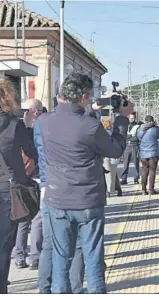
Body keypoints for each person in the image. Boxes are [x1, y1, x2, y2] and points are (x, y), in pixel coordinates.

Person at [36, 72, 132, 293]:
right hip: (88, 202)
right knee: (93, 257)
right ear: (84, 97)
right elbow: (115, 150)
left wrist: (90, 109)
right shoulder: (90, 126)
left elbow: (69, 124)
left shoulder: (44, 122)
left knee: (61, 259)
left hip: (57, 200)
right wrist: (122, 118)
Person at [34, 97, 85, 294]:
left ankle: (44, 288)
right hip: (72, 189)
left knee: (50, 242)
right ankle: (74, 289)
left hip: (47, 187)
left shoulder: (42, 124)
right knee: (78, 243)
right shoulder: (80, 123)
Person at [0, 77, 38, 294]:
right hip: (9, 193)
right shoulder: (15, 125)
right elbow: (33, 153)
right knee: (4, 246)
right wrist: (29, 127)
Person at [13, 99, 43, 270]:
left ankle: (20, 256)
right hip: (35, 178)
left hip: (24, 178)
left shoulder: (18, 128)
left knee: (24, 219)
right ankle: (35, 257)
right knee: (36, 219)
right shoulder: (35, 129)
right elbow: (34, 152)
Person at [137, 115, 159, 195]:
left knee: (144, 171)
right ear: (152, 121)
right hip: (153, 154)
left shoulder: (139, 129)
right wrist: (156, 127)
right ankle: (151, 190)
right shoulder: (155, 129)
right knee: (152, 171)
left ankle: (143, 190)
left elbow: (138, 138)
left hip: (143, 154)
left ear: (145, 121)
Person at [102, 119, 122, 198]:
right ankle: (119, 189)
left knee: (107, 174)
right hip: (114, 155)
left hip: (106, 155)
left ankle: (108, 191)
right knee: (114, 173)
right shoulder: (114, 134)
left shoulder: (102, 134)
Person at [120, 112, 139, 185]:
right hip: (127, 146)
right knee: (125, 164)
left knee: (136, 164)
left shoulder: (138, 126)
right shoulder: (125, 126)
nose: (131, 119)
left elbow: (137, 138)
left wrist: (129, 136)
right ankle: (124, 179)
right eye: (130, 118)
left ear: (135, 118)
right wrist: (130, 136)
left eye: (133, 118)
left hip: (135, 146)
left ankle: (136, 178)